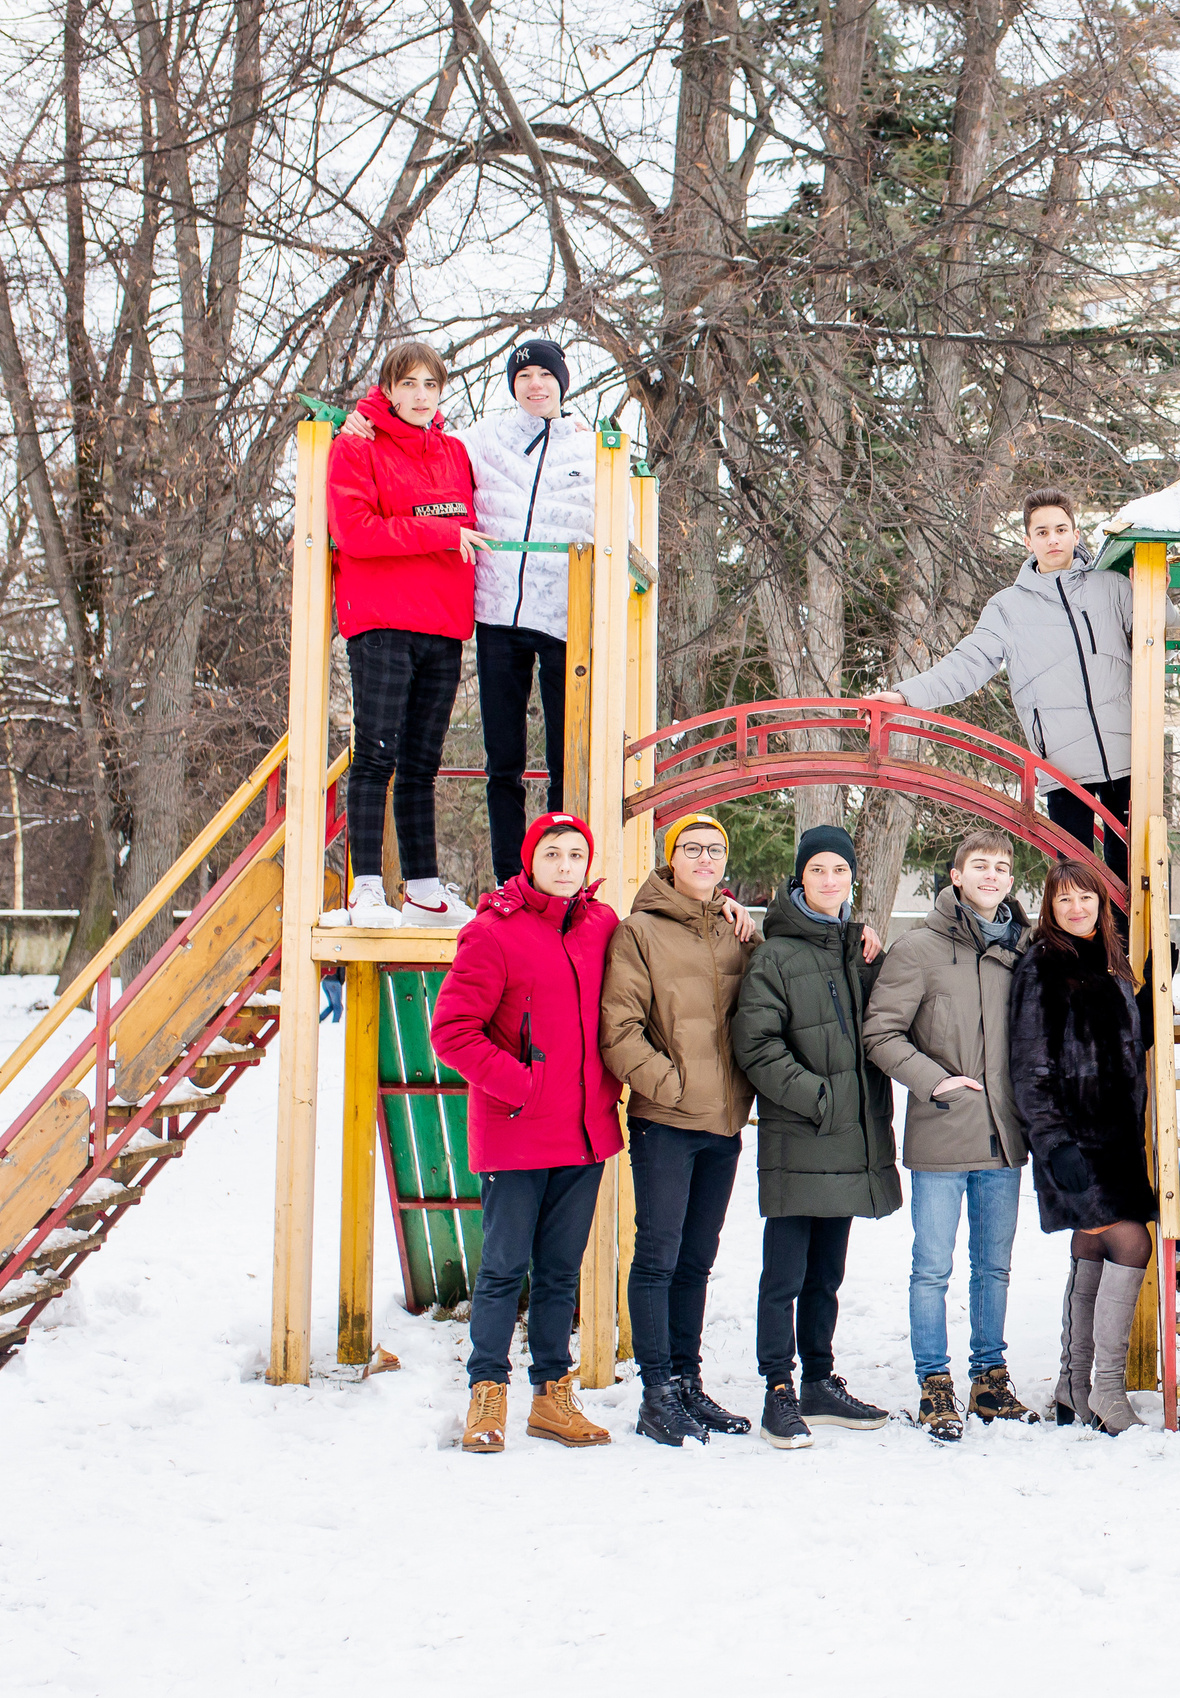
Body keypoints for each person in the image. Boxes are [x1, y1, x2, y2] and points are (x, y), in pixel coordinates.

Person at [341, 338, 593, 885]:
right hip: (496, 615)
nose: (534, 384)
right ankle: (508, 880)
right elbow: (410, 431)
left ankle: (562, 877)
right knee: (501, 762)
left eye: (545, 375)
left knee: (563, 763)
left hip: (559, 619)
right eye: (523, 375)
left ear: (561, 383)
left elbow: (618, 524)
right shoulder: (480, 440)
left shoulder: (591, 450)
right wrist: (361, 417)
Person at [429, 812, 623, 1452]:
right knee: (505, 1270)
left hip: (584, 1130)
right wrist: (524, 1086)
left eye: (576, 855)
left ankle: (551, 1396)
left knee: (561, 1271)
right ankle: (487, 1393)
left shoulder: (602, 927)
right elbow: (452, 1031)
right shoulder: (492, 932)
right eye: (554, 855)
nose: (566, 866)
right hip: (516, 1130)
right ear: (529, 860)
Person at [861, 830, 1038, 1442]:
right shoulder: (918, 950)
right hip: (941, 1133)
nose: (992, 876)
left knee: (994, 1268)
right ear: (956, 876)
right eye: (979, 866)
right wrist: (934, 1082)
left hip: (1003, 1138)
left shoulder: (1023, 951)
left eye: (1002, 867)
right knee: (931, 1267)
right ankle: (934, 1382)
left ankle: (990, 1377)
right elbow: (881, 1033)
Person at [730, 825, 901, 1450]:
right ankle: (779, 1387)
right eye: (818, 870)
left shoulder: (858, 948)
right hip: (802, 1133)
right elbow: (755, 1043)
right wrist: (819, 1098)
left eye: (839, 870)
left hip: (847, 1139)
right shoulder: (776, 953)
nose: (829, 880)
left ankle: (819, 1380)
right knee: (785, 1274)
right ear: (799, 878)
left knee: (827, 1273)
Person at [863, 490, 1134, 880]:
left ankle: (1130, 945)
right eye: (1042, 532)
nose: (1052, 539)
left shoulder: (1112, 586)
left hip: (1127, 756)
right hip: (1061, 766)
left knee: (1131, 877)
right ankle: (1078, 946)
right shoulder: (1008, 607)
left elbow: (1161, 636)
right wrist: (906, 696)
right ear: (1028, 541)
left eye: (1060, 529)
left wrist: (1157, 589)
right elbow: (968, 664)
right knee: (1074, 880)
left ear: (1076, 534)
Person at [598, 812, 765, 1447]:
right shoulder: (638, 931)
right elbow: (620, 1029)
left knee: (697, 1260)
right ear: (672, 859)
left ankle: (688, 1383)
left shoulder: (733, 930)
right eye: (691, 849)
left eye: (714, 850)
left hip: (723, 1124)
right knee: (659, 1257)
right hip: (666, 1121)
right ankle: (656, 1391)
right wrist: (670, 1087)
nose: (704, 859)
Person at [324, 342, 488, 927]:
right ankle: (365, 887)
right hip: (382, 620)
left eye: (430, 385)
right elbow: (357, 531)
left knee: (422, 762)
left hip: (442, 623)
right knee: (376, 754)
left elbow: (470, 518)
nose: (420, 396)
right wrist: (438, 531)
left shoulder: (453, 451)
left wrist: (442, 529)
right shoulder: (356, 445)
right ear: (388, 389)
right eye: (408, 384)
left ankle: (423, 888)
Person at [1009, 859, 1154, 1433]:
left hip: (1119, 1139)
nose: (1076, 909)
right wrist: (1052, 1141)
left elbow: (1121, 1042)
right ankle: (1108, 1391)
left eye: (1086, 899)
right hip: (1074, 1140)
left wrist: (1144, 993)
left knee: (1094, 1248)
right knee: (1131, 1241)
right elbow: (1030, 1063)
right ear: (1049, 906)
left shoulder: (1111, 965)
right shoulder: (1042, 964)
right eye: (1064, 900)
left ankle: (1074, 1386)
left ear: (1101, 905)